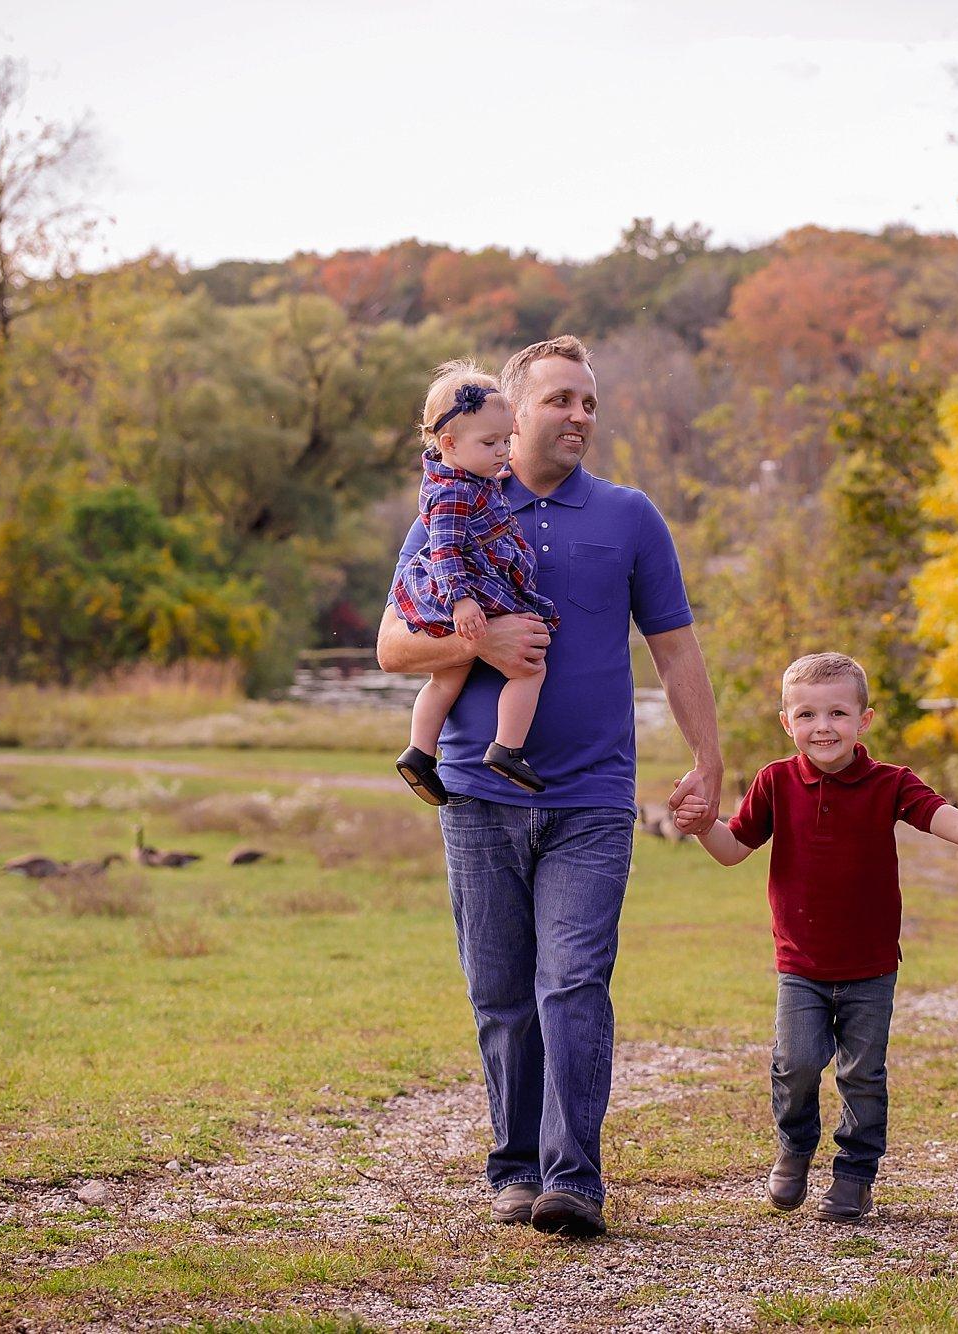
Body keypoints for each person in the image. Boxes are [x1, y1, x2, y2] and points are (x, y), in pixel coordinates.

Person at [377, 335, 723, 1239]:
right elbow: (393, 649)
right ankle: (515, 1167)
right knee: (499, 991)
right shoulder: (446, 513)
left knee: (573, 982)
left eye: (590, 404)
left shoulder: (629, 515)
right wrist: (476, 644)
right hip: (477, 795)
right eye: (563, 400)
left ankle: (574, 1180)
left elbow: (675, 646)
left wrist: (707, 758)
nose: (580, 417)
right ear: (513, 410)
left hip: (592, 798)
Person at [677, 652, 958, 1223]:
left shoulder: (890, 784)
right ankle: (794, 1147)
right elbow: (733, 849)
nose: (823, 727)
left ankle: (855, 1174)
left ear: (864, 719)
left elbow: (956, 825)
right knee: (796, 1063)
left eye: (838, 712)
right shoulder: (774, 782)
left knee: (862, 1073)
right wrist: (699, 826)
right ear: (787, 723)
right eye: (807, 714)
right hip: (801, 965)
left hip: (870, 966)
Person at [391, 361, 560, 802]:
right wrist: (462, 601)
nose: (503, 451)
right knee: (529, 668)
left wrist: (490, 471)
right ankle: (507, 748)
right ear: (448, 443)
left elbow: (476, 502)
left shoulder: (466, 478)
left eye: (506, 441)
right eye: (490, 443)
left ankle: (419, 753)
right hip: (469, 592)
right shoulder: (452, 495)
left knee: (447, 679)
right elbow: (445, 550)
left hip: (467, 591)